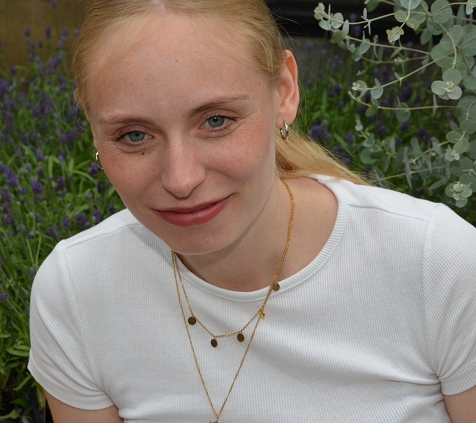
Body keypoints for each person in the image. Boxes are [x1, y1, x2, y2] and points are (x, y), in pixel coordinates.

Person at [28, 1, 476, 422]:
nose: (181, 179)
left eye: (216, 121)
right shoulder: (76, 292)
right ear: (93, 133)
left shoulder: (436, 264)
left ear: (284, 92)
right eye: (134, 135)